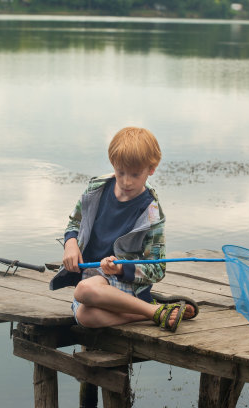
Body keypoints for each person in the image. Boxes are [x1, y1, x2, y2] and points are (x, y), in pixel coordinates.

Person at [49, 126, 198, 332]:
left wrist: (121, 268)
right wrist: (70, 243)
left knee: (84, 290)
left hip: (124, 284)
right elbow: (74, 223)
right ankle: (154, 311)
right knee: (84, 315)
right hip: (91, 280)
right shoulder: (96, 189)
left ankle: (150, 309)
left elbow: (157, 269)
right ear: (113, 164)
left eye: (135, 175)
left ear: (151, 169)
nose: (127, 181)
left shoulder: (151, 213)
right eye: (121, 172)